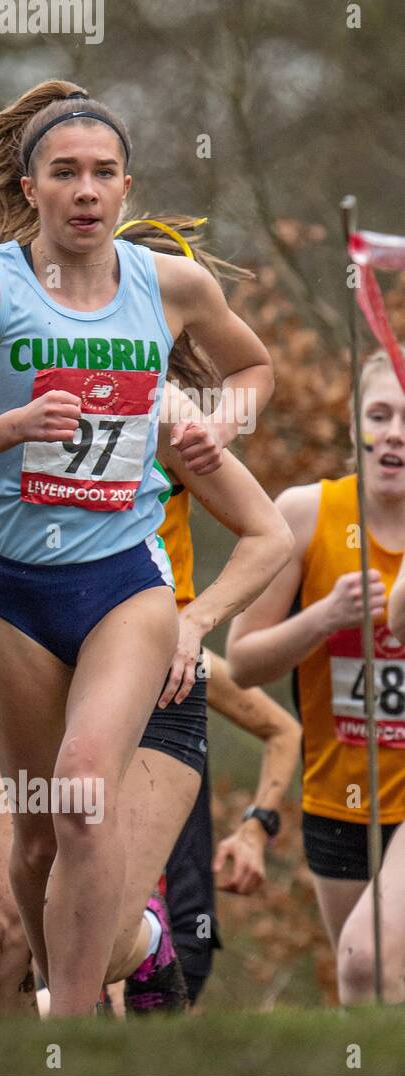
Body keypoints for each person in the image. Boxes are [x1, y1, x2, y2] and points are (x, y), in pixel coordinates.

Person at [0, 79, 276, 1014]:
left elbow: (254, 367)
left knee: (78, 796)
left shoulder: (170, 285)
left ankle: (72, 1032)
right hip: (11, 594)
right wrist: (12, 425)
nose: (86, 190)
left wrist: (219, 428)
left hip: (124, 584)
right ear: (30, 188)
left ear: (125, 187)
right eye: (64, 173)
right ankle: (124, 964)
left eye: (104, 173)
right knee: (32, 837)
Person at [228, 348, 405, 1004]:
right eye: (379, 415)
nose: (394, 434)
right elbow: (244, 660)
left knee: (366, 962)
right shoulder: (307, 515)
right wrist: (324, 618)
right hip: (342, 796)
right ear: (355, 427)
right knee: (369, 985)